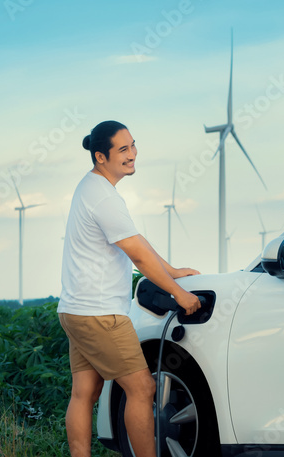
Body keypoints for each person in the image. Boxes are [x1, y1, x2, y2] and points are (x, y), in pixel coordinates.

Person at [58, 120, 201, 457]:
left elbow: (137, 241)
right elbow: (137, 254)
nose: (132, 154)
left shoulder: (93, 188)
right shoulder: (102, 196)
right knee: (142, 388)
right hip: (99, 315)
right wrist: (179, 292)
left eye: (133, 145)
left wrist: (173, 270)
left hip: (76, 311)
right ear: (100, 156)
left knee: (84, 393)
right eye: (123, 149)